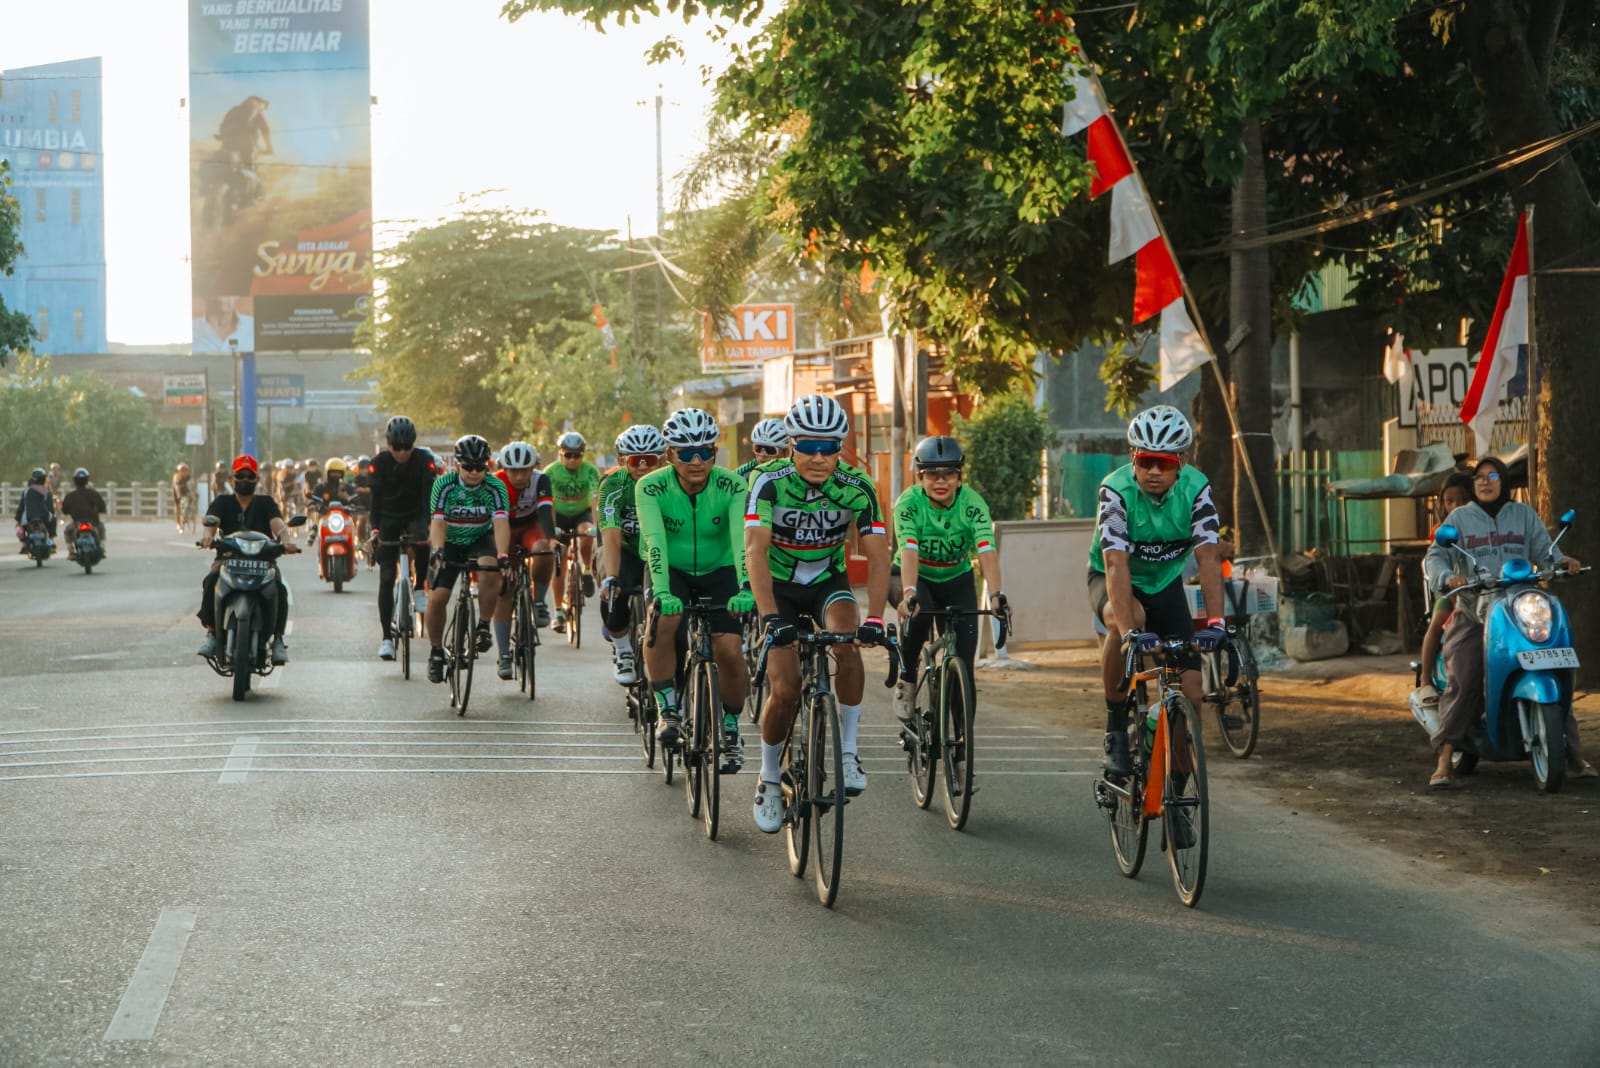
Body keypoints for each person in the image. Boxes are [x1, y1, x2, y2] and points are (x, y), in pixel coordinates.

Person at [745, 394, 891, 832]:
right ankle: (770, 776)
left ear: (840, 448)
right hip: (780, 586)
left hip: (829, 580)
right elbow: (755, 549)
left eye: (829, 447)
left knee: (849, 646)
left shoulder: (858, 486)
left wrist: (877, 618)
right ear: (792, 444)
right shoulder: (769, 482)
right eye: (808, 446)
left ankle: (847, 751)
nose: (819, 456)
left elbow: (880, 556)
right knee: (785, 689)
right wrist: (770, 617)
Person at [1422, 455, 1590, 787]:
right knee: (1466, 676)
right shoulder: (1459, 519)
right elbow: (1436, 556)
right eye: (1479, 477)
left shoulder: (1524, 515)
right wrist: (1446, 576)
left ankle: (1573, 753)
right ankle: (1444, 758)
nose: (1485, 482)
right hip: (1476, 611)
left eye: (1493, 475)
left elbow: (1545, 550)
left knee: (1556, 665)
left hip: (1521, 608)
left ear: (1504, 481)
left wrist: (1562, 560)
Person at [1088, 405, 1225, 787]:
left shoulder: (1197, 489)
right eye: (1145, 461)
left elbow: (1208, 558)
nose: (1152, 471)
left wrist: (1216, 623)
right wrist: (1133, 633)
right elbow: (1115, 564)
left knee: (1192, 695)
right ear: (1133, 457)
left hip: (1165, 586)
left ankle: (1177, 795)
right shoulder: (1115, 490)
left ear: (1181, 460)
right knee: (1127, 622)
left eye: (1162, 463)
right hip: (1112, 579)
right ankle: (1115, 728)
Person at [634, 409, 753, 772]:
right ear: (670, 455)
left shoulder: (733, 484)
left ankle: (730, 728)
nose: (696, 460)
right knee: (664, 620)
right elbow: (654, 539)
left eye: (704, 452)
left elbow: (741, 539)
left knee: (729, 649)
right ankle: (667, 707)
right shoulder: (650, 486)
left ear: (715, 452)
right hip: (671, 568)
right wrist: (664, 592)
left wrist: (746, 585)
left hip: (721, 569)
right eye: (686, 453)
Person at [890, 436, 1007, 723]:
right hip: (915, 576)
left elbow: (987, 550)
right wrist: (909, 592)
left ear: (959, 476)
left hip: (957, 577)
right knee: (918, 617)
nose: (941, 481)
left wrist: (996, 595)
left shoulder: (972, 503)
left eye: (949, 474)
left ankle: (962, 738)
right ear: (920, 476)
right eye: (932, 474)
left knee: (964, 663)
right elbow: (909, 551)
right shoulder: (908, 504)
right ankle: (906, 679)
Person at [424, 435, 511, 685]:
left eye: (480, 467)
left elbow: (501, 522)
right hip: (450, 541)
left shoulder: (495, 487)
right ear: (457, 465)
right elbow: (438, 522)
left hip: (480, 538)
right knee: (438, 597)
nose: (474, 473)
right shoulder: (444, 484)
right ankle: (437, 652)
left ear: (488, 465)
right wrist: (438, 551)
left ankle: (483, 625)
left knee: (490, 567)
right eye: (468, 467)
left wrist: (503, 555)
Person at [197, 454, 300, 662]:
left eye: (249, 476)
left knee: (279, 588)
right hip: (228, 560)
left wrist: (286, 540)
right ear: (231, 480)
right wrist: (208, 537)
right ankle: (212, 633)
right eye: (240, 476)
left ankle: (278, 639)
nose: (245, 480)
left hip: (263, 562)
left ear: (257, 480)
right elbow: (212, 522)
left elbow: (278, 525)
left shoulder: (266, 502)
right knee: (211, 580)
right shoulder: (222, 501)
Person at [597, 426, 665, 687]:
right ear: (622, 460)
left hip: (658, 550)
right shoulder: (613, 484)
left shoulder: (670, 481)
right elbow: (611, 535)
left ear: (663, 459)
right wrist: (611, 577)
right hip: (624, 546)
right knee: (613, 591)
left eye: (651, 460)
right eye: (637, 461)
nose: (645, 466)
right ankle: (624, 651)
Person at [370, 416, 437, 662]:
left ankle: (419, 588)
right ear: (388, 445)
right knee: (387, 576)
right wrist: (375, 530)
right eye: (396, 448)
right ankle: (387, 637)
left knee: (422, 539)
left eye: (407, 448)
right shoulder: (378, 464)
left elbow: (429, 497)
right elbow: (374, 503)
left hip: (415, 513)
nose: (402, 453)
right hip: (388, 517)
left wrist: (431, 526)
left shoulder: (424, 461)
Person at [489, 440, 557, 680]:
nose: (518, 476)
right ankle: (504, 654)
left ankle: (538, 601)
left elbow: (546, 513)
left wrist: (552, 538)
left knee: (543, 549)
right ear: (504, 469)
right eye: (513, 470)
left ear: (533, 468)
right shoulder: (495, 483)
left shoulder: (542, 480)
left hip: (530, 526)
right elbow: (495, 522)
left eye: (524, 470)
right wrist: (502, 557)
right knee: (504, 590)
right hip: (504, 528)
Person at [1413, 474, 1475, 707]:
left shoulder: (1482, 526)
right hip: (1451, 591)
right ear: (1442, 504)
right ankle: (1426, 680)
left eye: (1463, 500)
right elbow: (1437, 560)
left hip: (1484, 590)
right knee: (1439, 621)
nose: (1456, 506)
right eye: (1450, 501)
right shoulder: (1442, 531)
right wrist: (1450, 580)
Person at [546, 430, 602, 633]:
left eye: (577, 455)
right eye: (568, 454)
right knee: (559, 556)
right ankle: (558, 612)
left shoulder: (590, 470)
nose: (572, 459)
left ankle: (586, 569)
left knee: (586, 534)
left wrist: (596, 526)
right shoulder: (550, 472)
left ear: (582, 455)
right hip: (558, 515)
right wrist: (552, 529)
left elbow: (595, 498)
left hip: (581, 513)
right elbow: (548, 502)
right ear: (560, 454)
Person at [60, 468, 108, 555]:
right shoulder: (93, 494)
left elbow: (64, 510)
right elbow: (102, 507)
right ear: (87, 480)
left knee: (68, 531)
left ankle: (71, 552)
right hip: (93, 522)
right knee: (101, 528)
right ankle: (102, 548)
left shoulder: (70, 496)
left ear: (75, 481)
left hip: (77, 522)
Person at [14, 468, 58, 552]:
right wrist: (51, 514)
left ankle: (24, 545)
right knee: (53, 519)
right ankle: (51, 541)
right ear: (44, 478)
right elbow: (50, 508)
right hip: (44, 517)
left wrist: (18, 519)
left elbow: (21, 506)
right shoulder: (46, 491)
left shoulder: (26, 491)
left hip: (28, 518)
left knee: (21, 527)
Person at [171, 463, 195, 533]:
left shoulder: (188, 476)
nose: (184, 472)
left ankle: (188, 513)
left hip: (185, 489)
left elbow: (192, 484)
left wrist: (192, 494)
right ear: (179, 471)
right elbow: (177, 487)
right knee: (178, 506)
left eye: (185, 470)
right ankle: (178, 523)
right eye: (182, 471)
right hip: (177, 490)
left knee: (191, 498)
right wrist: (178, 495)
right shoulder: (177, 476)